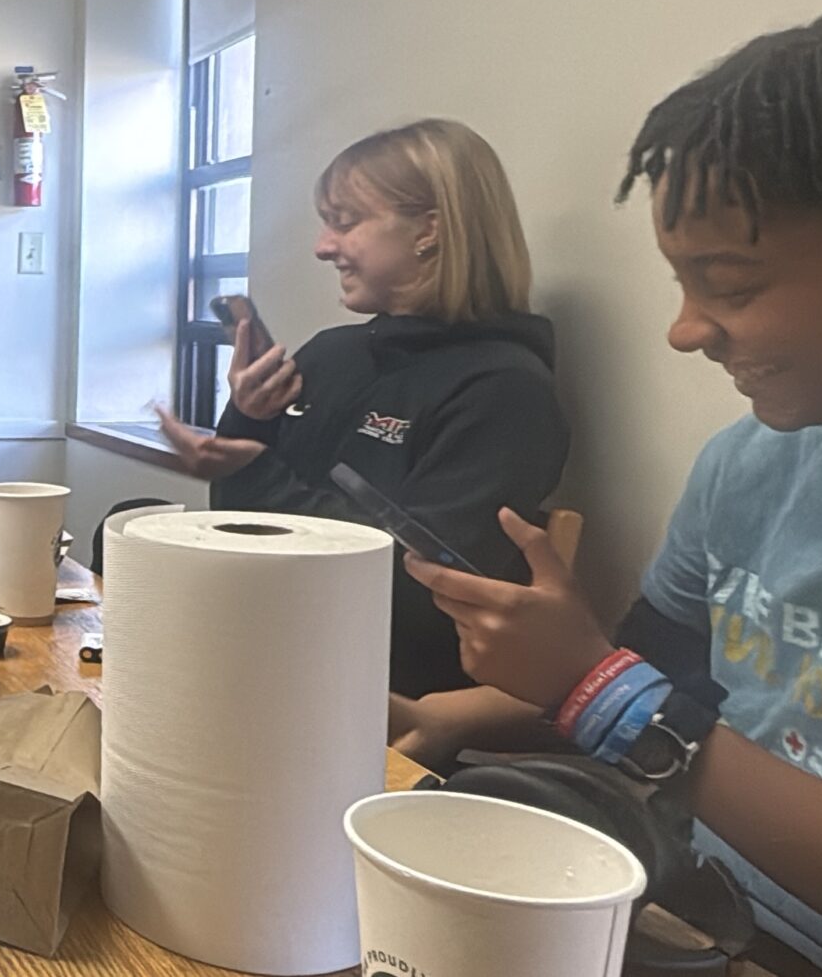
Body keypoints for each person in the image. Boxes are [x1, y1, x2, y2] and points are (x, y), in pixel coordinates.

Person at [396, 0, 822, 977]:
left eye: (733, 285)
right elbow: (667, 680)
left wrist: (604, 690)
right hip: (685, 890)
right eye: (679, 284)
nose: (685, 329)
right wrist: (454, 711)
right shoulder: (750, 464)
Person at [158, 119, 569, 698]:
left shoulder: (504, 391)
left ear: (430, 229)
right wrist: (249, 418)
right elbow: (240, 518)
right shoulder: (332, 352)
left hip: (377, 682)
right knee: (129, 527)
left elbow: (411, 578)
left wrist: (248, 464)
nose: (323, 247)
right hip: (270, 634)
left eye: (344, 223)